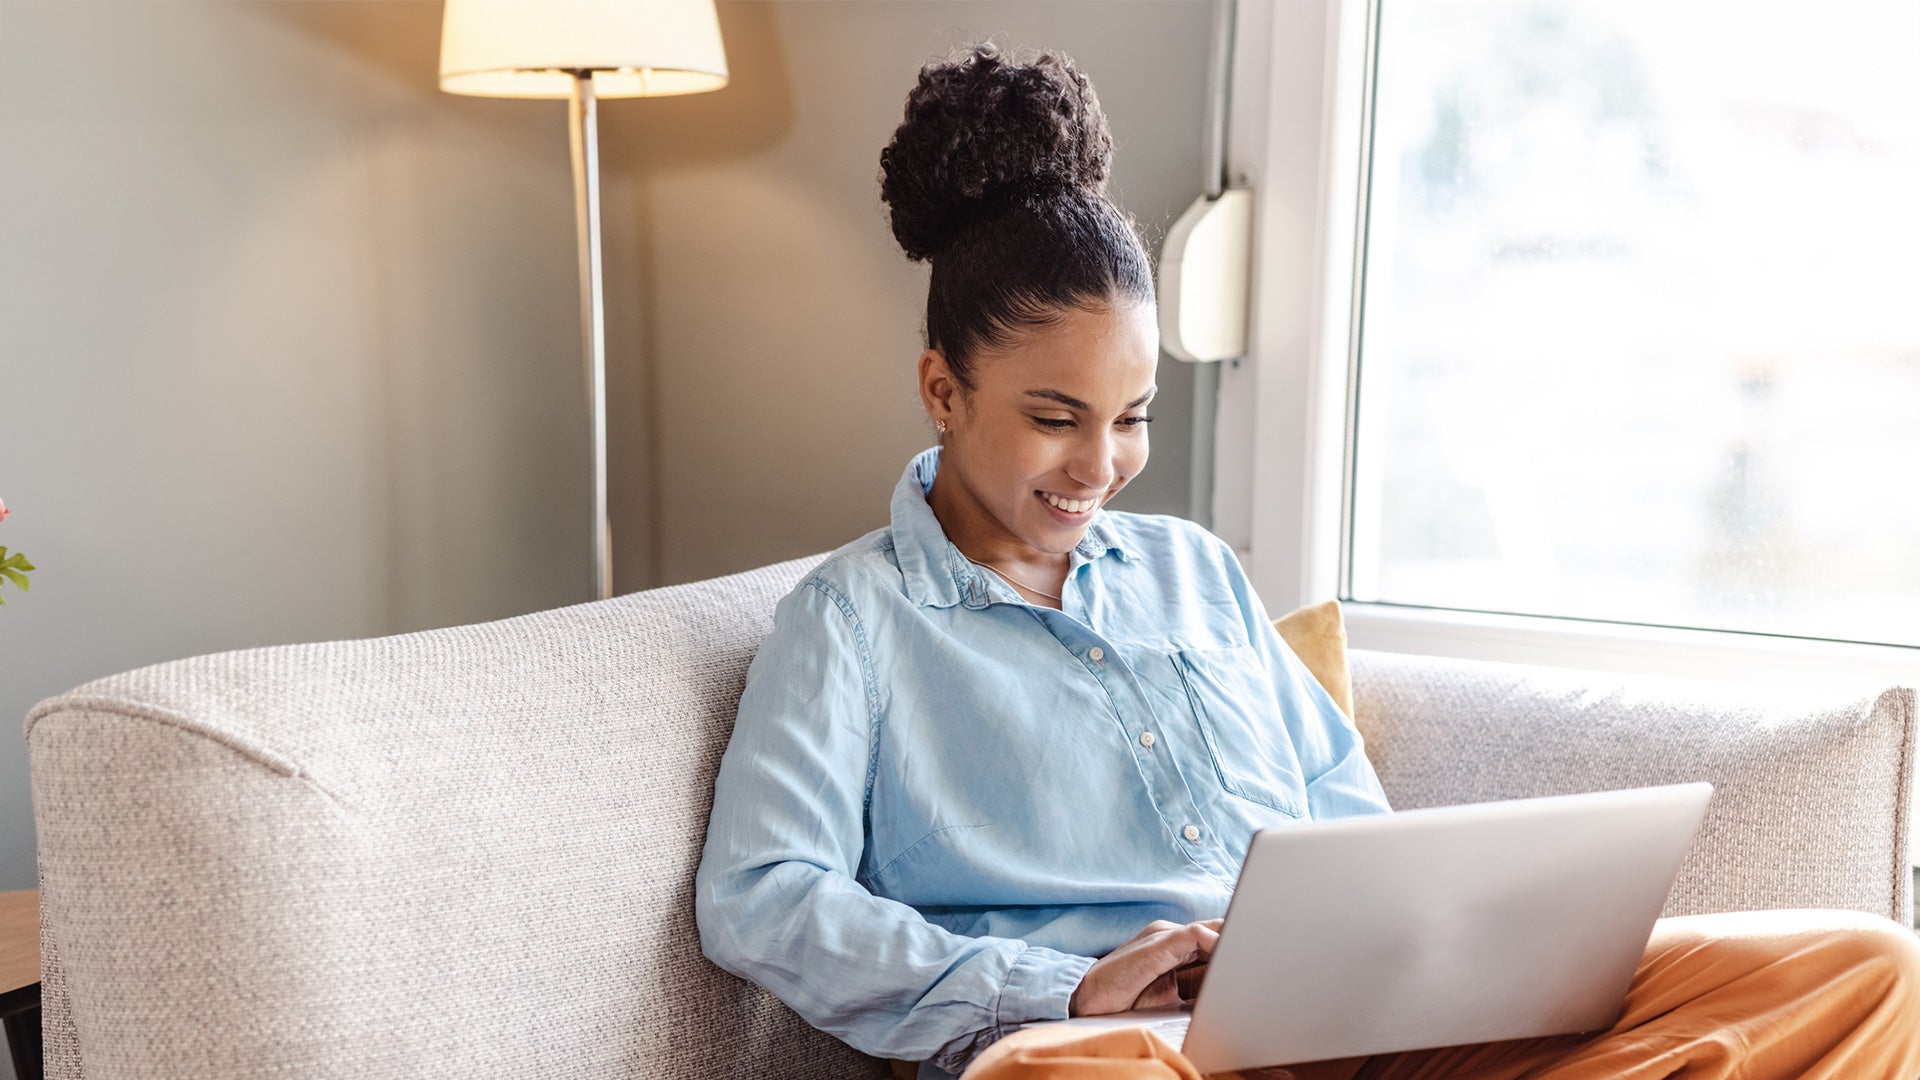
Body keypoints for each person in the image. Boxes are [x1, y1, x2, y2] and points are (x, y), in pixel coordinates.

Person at [694, 42, 1920, 1080]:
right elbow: (761, 897)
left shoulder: (1194, 573)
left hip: (1349, 1025)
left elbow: (1350, 831)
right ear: (941, 390)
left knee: (1865, 969)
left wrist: (1433, 952)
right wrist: (1065, 987)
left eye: (1134, 418)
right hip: (1115, 1047)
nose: (1102, 463)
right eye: (1055, 418)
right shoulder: (850, 621)